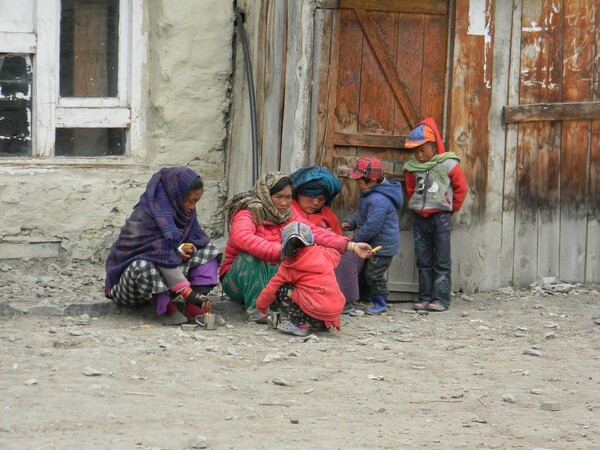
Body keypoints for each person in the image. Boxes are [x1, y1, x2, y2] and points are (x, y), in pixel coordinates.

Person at [219, 171, 373, 322]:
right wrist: (282, 252)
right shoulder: (248, 213)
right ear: (265, 195)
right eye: (278, 197)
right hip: (237, 282)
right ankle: (256, 311)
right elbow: (242, 238)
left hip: (271, 276)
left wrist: (350, 245)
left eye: (288, 197)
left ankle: (311, 310)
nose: (284, 203)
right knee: (252, 257)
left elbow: (311, 232)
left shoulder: (288, 214)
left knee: (312, 257)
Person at [104, 167, 221, 325]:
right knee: (145, 265)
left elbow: (187, 242)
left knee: (208, 251)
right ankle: (165, 308)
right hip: (131, 286)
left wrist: (187, 249)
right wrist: (187, 292)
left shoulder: (184, 213)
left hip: (169, 282)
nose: (192, 206)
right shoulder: (146, 216)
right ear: (176, 196)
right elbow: (158, 252)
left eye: (196, 201)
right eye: (189, 200)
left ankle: (195, 308)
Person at [402, 118, 468, 312]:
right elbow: (411, 189)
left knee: (441, 260)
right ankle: (424, 298)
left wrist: (451, 208)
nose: (419, 155)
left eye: (423, 150)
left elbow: (461, 188)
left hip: (440, 219)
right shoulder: (412, 167)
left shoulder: (448, 163)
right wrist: (416, 207)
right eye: (415, 151)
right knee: (423, 261)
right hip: (420, 220)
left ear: (434, 146)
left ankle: (441, 299)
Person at [289, 166, 364, 313]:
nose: (316, 203)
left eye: (321, 199)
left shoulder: (328, 214)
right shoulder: (290, 209)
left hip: (328, 255)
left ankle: (343, 299)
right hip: (300, 255)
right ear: (298, 194)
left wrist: (343, 240)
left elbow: (337, 237)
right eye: (311, 198)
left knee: (351, 255)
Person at [255, 221, 345, 336]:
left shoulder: (289, 265)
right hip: (335, 310)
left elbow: (271, 289)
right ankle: (320, 324)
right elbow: (335, 254)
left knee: (283, 289)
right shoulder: (324, 254)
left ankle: (299, 325)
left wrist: (261, 307)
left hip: (315, 308)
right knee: (314, 293)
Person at [342, 156, 403, 315]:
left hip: (381, 247)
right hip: (372, 244)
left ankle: (380, 303)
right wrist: (351, 222)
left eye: (359, 180)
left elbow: (372, 226)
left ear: (372, 180)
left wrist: (355, 240)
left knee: (373, 274)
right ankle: (366, 298)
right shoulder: (369, 194)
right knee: (365, 271)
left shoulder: (379, 200)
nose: (357, 183)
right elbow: (361, 213)